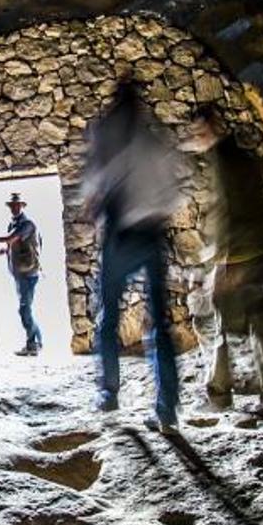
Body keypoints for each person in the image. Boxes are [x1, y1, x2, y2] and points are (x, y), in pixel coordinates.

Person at [81, 81, 187, 434]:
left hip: (121, 235)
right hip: (153, 234)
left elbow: (92, 188)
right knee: (160, 321)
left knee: (109, 317)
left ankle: (109, 393)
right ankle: (167, 410)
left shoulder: (107, 135)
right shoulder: (155, 142)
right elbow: (172, 196)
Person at [185, 107, 263, 411]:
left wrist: (222, 262)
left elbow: (228, 214)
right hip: (260, 251)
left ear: (212, 126)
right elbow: (258, 208)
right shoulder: (246, 158)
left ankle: (219, 394)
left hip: (239, 257)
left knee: (215, 323)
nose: (197, 138)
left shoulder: (221, 162)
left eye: (200, 131)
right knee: (259, 323)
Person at [0, 193, 44, 356]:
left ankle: (33, 344)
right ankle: (37, 342)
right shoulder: (14, 223)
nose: (14, 208)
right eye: (12, 205)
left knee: (24, 309)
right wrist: (7, 250)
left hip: (28, 274)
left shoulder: (27, 224)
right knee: (26, 308)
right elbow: (15, 243)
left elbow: (11, 238)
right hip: (20, 272)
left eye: (17, 205)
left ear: (22, 206)